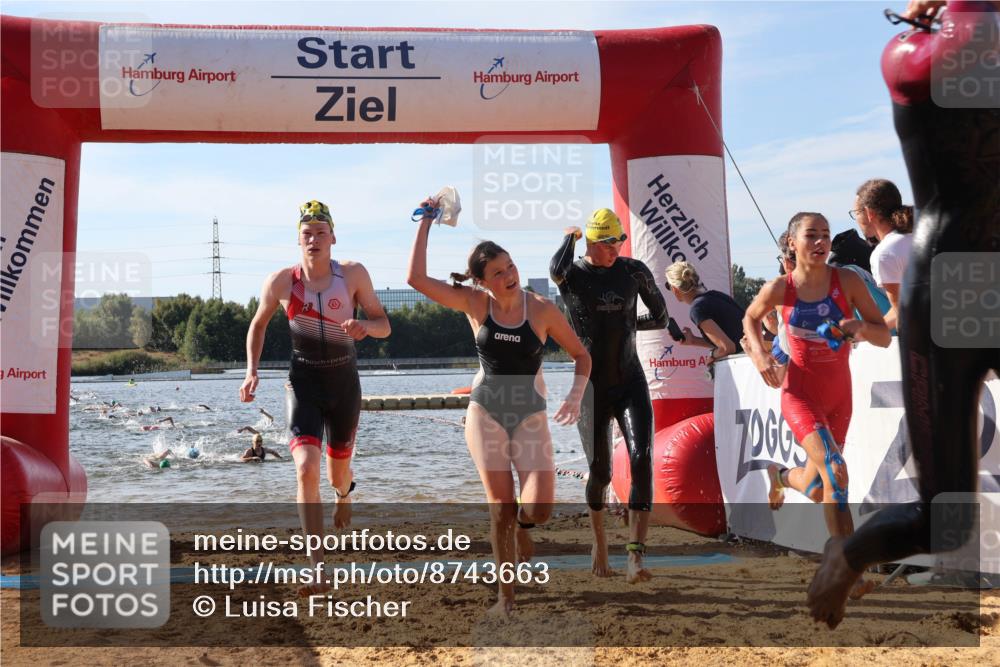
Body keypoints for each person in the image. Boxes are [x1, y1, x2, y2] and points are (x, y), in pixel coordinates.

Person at [808, 0, 1000, 628]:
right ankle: (848, 554)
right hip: (947, 294)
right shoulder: (915, 54)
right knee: (944, 521)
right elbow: (971, 39)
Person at [408, 195, 590, 617]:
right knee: (501, 508)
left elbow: (582, 355)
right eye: (498, 273)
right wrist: (426, 222)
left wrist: (575, 394)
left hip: (529, 413)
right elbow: (415, 278)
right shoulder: (475, 303)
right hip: (486, 411)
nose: (509, 276)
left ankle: (525, 528)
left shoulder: (541, 309)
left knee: (539, 509)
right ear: (482, 281)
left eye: (510, 266)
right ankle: (505, 598)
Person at [240, 199, 391, 596]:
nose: (313, 239)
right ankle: (317, 569)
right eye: (306, 234)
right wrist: (251, 370)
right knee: (306, 469)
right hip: (303, 384)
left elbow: (384, 325)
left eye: (321, 232)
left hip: (344, 386)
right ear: (298, 240)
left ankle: (344, 495)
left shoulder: (353, 274)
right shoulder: (281, 282)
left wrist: (365, 327)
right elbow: (257, 325)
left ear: (333, 238)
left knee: (337, 475)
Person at [743, 212, 891, 599]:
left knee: (818, 485)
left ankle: (781, 476)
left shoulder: (848, 282)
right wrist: (759, 354)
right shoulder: (780, 288)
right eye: (811, 235)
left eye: (825, 234)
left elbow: (883, 335)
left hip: (840, 397)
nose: (821, 241)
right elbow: (750, 318)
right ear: (793, 243)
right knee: (837, 472)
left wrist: (857, 328)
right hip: (800, 395)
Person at [550, 208, 669, 583]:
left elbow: (661, 317)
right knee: (600, 471)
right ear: (590, 242)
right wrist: (569, 237)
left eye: (619, 241)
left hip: (630, 378)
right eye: (606, 243)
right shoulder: (573, 276)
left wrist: (626, 324)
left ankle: (635, 555)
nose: (615, 248)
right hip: (592, 386)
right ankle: (599, 542)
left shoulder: (634, 271)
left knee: (642, 458)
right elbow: (555, 269)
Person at [850, 179, 914, 330]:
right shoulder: (923, 232)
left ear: (869, 213)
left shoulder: (884, 253)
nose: (856, 219)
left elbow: (902, 314)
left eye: (856, 213)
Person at [665, 260, 745, 366]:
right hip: (751, 359)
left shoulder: (697, 308)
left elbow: (727, 348)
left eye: (669, 286)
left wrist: (712, 355)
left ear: (675, 289)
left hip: (744, 365)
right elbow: (733, 340)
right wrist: (693, 340)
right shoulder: (715, 295)